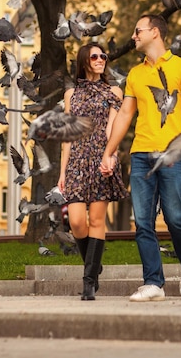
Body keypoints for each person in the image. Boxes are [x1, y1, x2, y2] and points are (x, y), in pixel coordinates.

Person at [100, 14, 181, 301]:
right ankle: (153, 283)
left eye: (138, 31)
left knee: (176, 218)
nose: (133, 36)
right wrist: (109, 151)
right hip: (141, 156)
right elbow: (125, 114)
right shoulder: (136, 74)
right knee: (143, 222)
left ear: (156, 33)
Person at [58, 42, 129, 301]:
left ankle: (89, 282)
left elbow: (114, 128)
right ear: (85, 62)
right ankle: (93, 262)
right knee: (76, 221)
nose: (101, 60)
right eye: (95, 56)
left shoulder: (114, 91)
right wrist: (62, 172)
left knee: (97, 220)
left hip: (101, 157)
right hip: (76, 159)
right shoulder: (70, 95)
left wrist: (109, 156)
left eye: (103, 56)